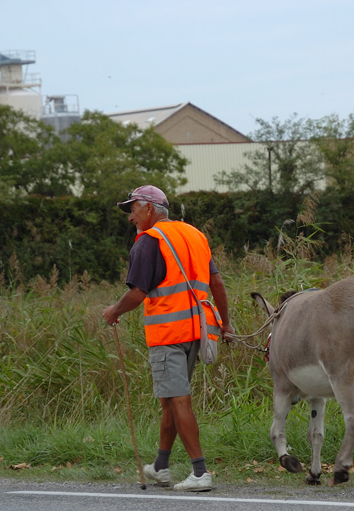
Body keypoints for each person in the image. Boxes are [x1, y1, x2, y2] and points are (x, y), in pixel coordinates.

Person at [102, 185, 234, 492]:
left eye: (132, 209)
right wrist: (225, 324)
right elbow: (217, 281)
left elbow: (137, 293)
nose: (130, 217)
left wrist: (113, 311)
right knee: (169, 401)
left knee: (177, 400)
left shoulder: (148, 242)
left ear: (149, 209)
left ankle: (200, 472)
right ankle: (161, 467)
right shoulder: (194, 235)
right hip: (197, 334)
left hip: (168, 335)